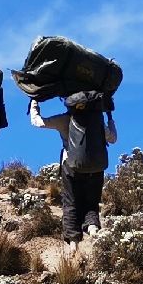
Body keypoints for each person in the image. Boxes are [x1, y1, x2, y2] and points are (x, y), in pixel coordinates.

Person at [31, 91, 115, 243]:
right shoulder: (97, 120)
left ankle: (73, 244)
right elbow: (113, 139)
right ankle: (93, 230)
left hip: (71, 167)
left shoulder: (64, 119)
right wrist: (109, 118)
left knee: (70, 202)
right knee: (91, 203)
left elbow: (38, 122)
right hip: (96, 167)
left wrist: (34, 103)